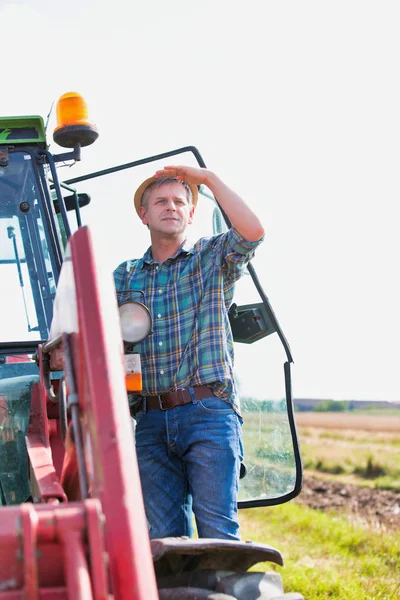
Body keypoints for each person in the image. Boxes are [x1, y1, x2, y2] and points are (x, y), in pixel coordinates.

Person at [114, 165, 264, 540]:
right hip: (149, 418)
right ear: (143, 214)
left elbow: (252, 231)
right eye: (161, 201)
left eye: (180, 202)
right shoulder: (125, 277)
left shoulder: (211, 258)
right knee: (163, 541)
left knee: (217, 531)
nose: (171, 207)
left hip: (208, 411)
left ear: (191, 213)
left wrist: (208, 178)